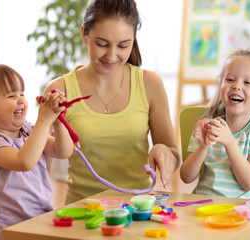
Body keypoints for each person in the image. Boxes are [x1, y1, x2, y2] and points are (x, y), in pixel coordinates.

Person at [44, 0, 181, 204]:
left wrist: (164, 152)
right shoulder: (60, 90)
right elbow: (40, 162)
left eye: (123, 45)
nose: (112, 55)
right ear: (84, 34)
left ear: (133, 40)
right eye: (102, 44)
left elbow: (175, 155)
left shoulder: (150, 84)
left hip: (137, 211)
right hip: (82, 212)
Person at [0, 64, 74, 240]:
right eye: (11, 95)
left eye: (22, 94)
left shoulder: (27, 131)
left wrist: (56, 121)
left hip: (41, 224)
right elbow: (24, 162)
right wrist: (44, 120)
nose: (21, 100)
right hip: (11, 233)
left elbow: (62, 151)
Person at [180, 49, 250, 199]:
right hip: (203, 207)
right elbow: (186, 177)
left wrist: (230, 143)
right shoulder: (209, 128)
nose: (236, 86)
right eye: (230, 79)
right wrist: (203, 147)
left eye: (248, 82)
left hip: (240, 212)